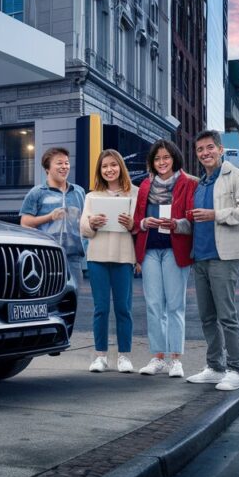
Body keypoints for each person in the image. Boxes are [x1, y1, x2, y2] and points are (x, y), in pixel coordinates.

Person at [186, 130, 239, 391]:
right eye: (200, 150)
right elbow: (197, 221)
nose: (205, 153)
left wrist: (217, 214)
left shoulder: (236, 176)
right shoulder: (200, 184)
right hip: (200, 256)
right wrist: (175, 224)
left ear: (220, 150)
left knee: (227, 316)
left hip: (223, 257)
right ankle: (215, 367)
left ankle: (236, 370)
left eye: (209, 148)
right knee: (207, 317)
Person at [132, 140, 197, 378]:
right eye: (157, 158)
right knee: (153, 305)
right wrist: (143, 223)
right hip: (149, 250)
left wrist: (176, 224)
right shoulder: (145, 186)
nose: (162, 162)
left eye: (166, 157)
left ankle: (175, 360)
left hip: (174, 249)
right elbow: (136, 221)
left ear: (174, 159)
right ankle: (157, 357)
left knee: (175, 305)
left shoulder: (189, 183)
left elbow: (193, 220)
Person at [80, 150, 139, 373]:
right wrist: (92, 223)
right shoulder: (92, 196)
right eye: (104, 166)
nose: (109, 170)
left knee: (124, 308)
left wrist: (132, 223)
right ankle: (100, 356)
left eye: (113, 165)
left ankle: (124, 356)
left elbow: (139, 227)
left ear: (120, 167)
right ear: (100, 170)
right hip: (97, 257)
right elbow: (83, 228)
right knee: (101, 309)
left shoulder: (135, 193)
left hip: (124, 257)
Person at [20, 147, 87, 291]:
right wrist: (50, 217)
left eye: (66, 163)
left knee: (72, 302)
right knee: (46, 297)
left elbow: (84, 222)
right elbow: (24, 223)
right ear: (47, 168)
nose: (64, 167)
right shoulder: (36, 193)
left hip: (73, 258)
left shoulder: (79, 191)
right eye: (59, 163)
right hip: (45, 256)